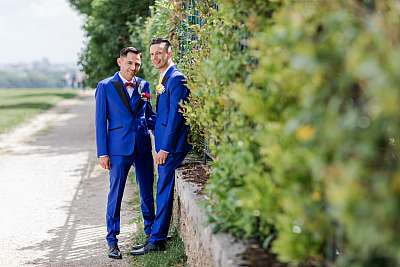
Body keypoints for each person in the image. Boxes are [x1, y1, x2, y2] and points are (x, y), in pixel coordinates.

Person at [131, 38, 192, 256]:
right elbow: (162, 116)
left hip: (172, 147)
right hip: (165, 143)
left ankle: (156, 240)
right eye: (152, 54)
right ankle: (156, 236)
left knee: (163, 190)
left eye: (159, 53)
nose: (155, 57)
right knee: (161, 188)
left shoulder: (176, 79)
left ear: (169, 53)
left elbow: (177, 117)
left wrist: (164, 147)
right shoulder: (164, 78)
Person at [95, 47, 156, 259]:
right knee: (116, 193)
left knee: (147, 191)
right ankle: (112, 240)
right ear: (120, 62)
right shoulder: (105, 86)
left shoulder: (144, 85)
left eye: (137, 64)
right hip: (118, 148)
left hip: (142, 146)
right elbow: (100, 122)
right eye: (130, 63)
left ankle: (151, 234)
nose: (133, 67)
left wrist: (166, 129)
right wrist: (103, 153)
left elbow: (149, 116)